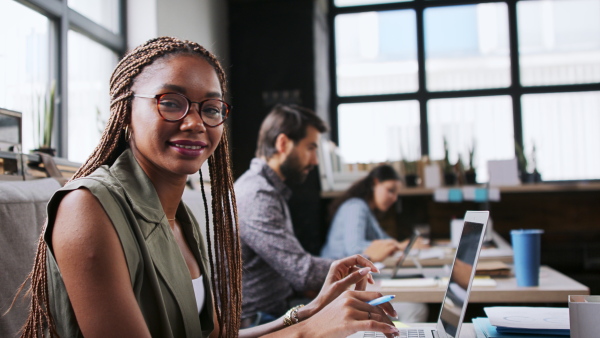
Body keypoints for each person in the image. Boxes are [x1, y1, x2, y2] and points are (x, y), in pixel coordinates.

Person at [16, 37, 400, 338]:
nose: (195, 122)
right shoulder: (87, 209)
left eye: (211, 108)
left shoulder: (183, 215)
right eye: (171, 102)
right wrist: (309, 332)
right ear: (126, 114)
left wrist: (312, 311)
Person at [236, 104, 340, 326]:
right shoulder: (257, 194)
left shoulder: (266, 189)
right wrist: (364, 265)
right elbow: (302, 272)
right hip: (258, 322)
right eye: (310, 148)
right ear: (282, 143)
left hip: (276, 311)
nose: (315, 161)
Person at [321, 164, 429, 323]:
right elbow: (355, 250)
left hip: (352, 281)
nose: (394, 198)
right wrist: (390, 247)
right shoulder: (356, 207)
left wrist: (398, 245)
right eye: (390, 190)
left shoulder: (365, 210)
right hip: (340, 286)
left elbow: (384, 241)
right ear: (374, 183)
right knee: (416, 308)